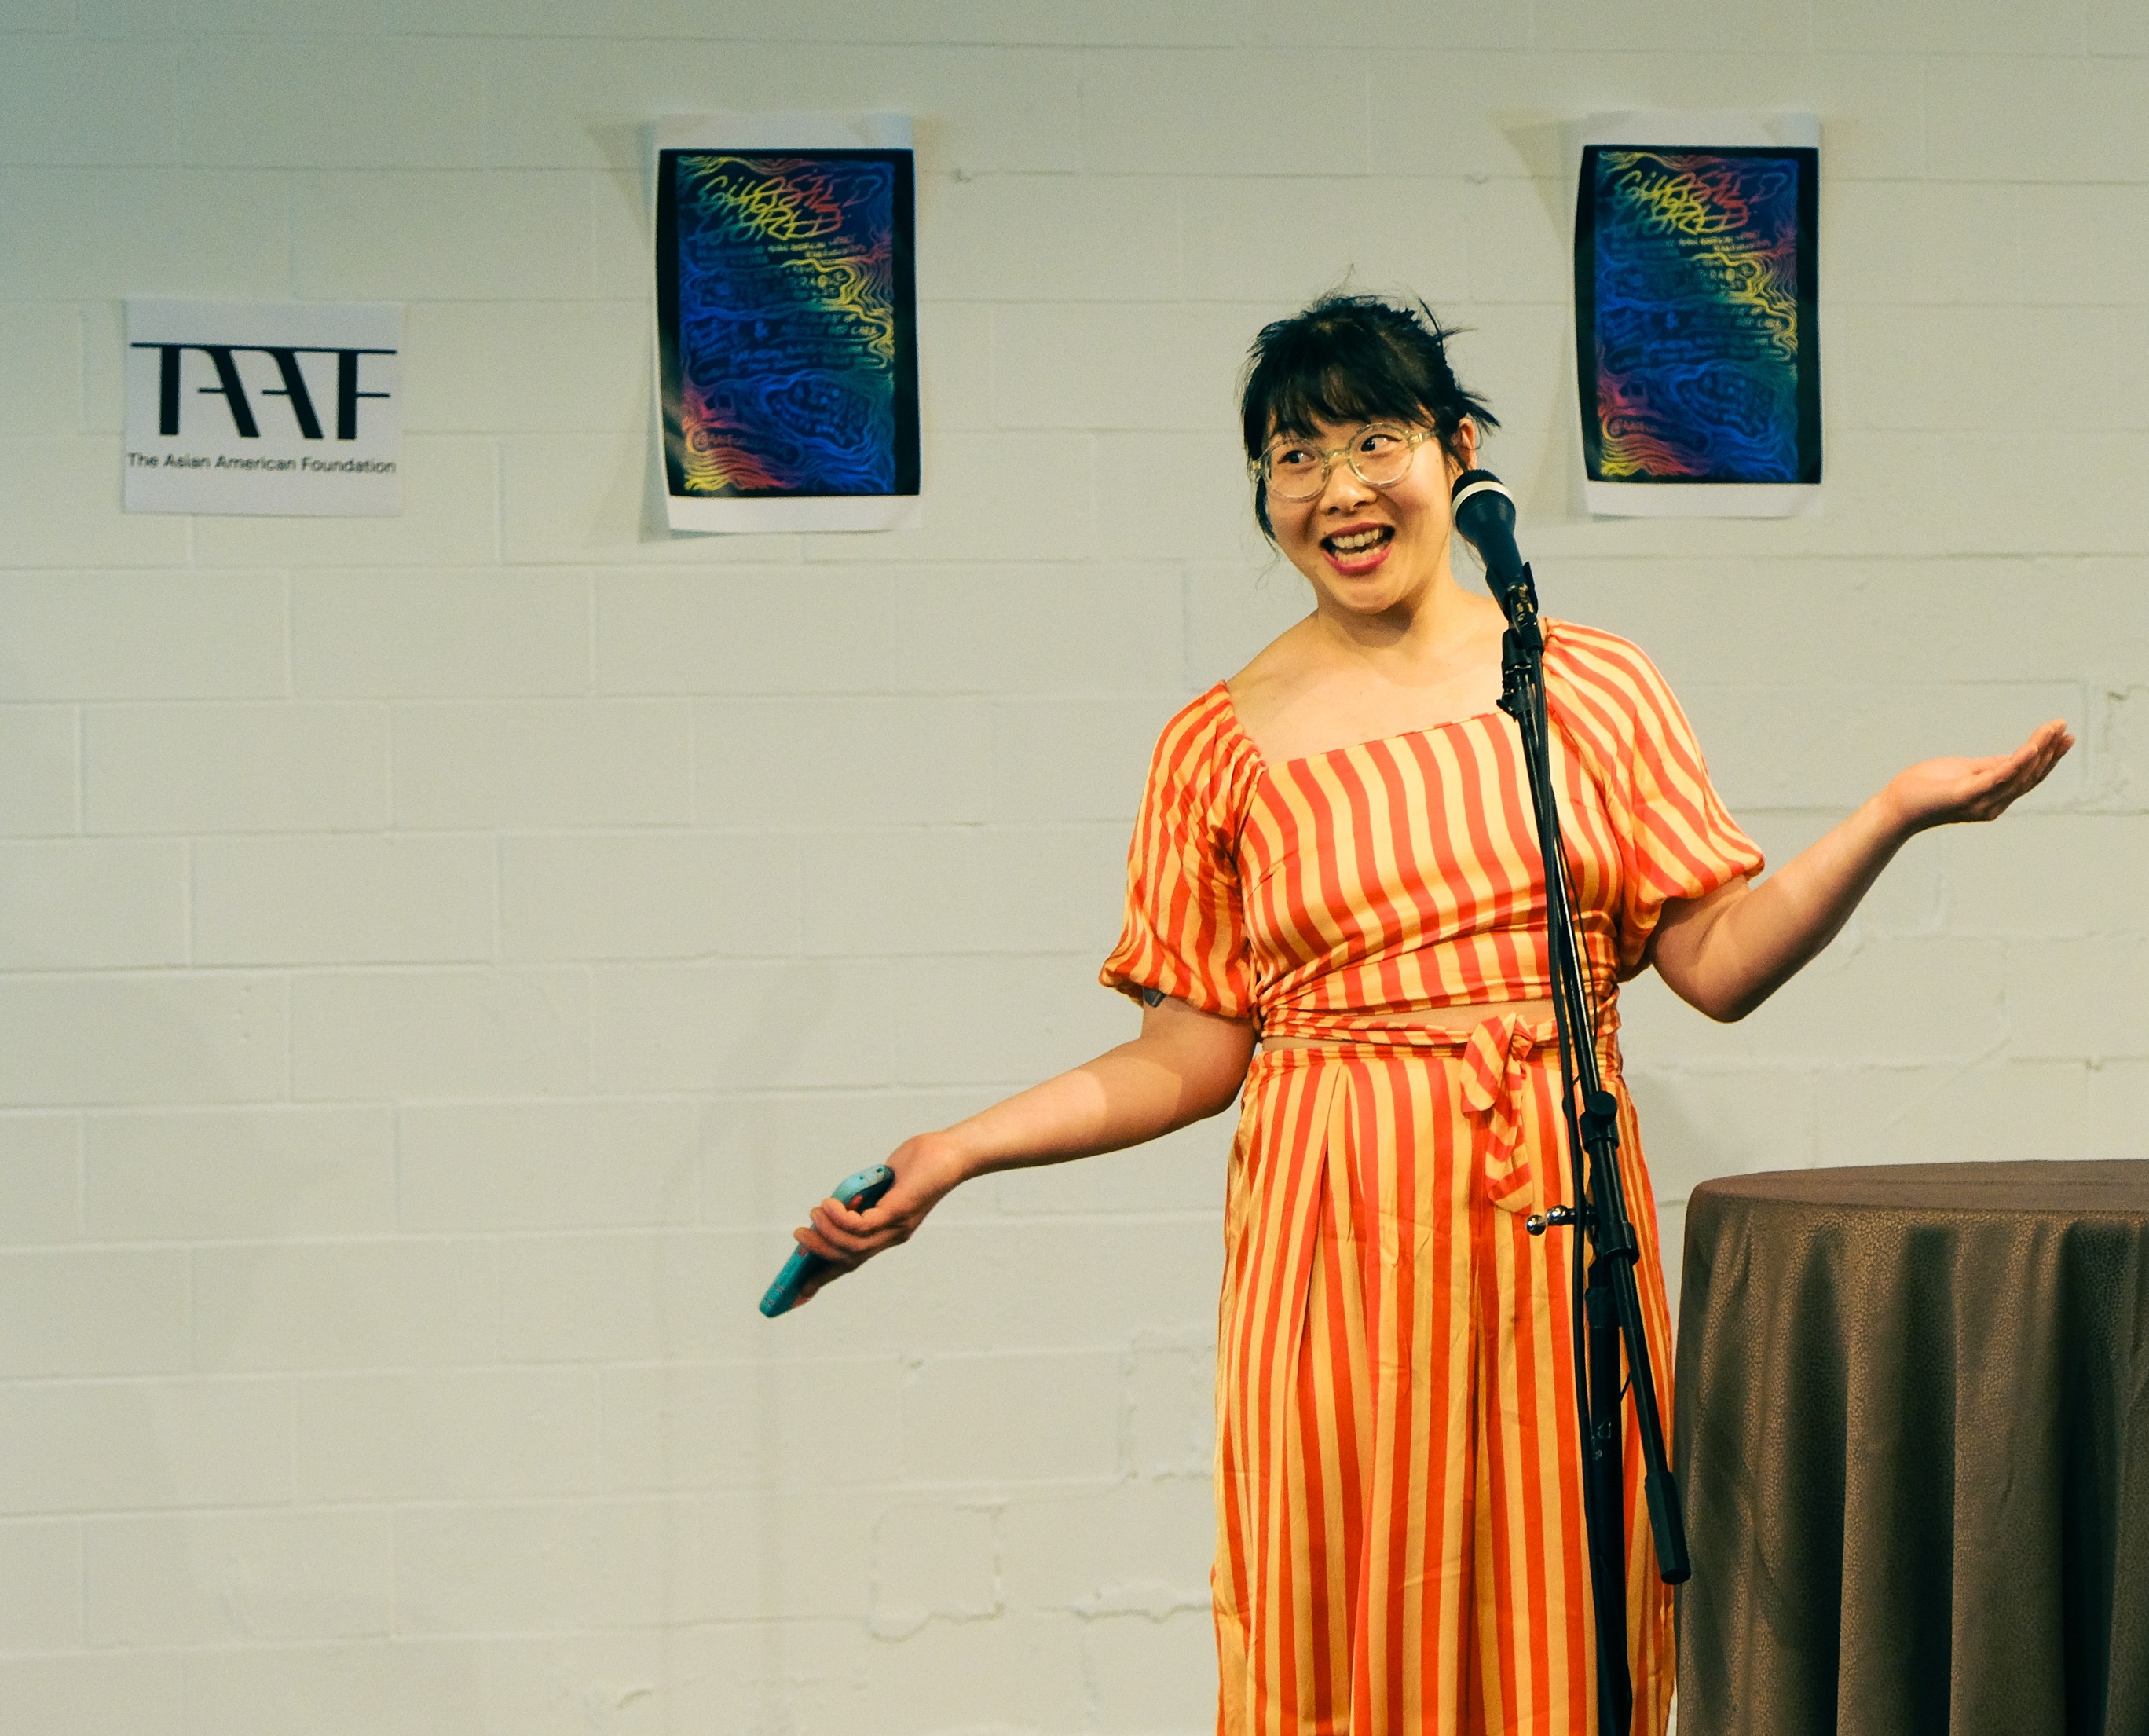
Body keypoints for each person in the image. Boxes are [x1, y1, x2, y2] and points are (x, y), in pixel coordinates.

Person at [796, 293, 2072, 1734]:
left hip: (1560, 1231)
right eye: (1293, 454)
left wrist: (1894, 811)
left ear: (1457, 454)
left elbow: (1711, 960)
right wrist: (955, 1150)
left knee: (1564, 1615)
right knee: (1350, 1613)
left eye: (1372, 439)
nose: (1336, 488)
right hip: (1335, 1242)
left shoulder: (1584, 686)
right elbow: (1186, 1051)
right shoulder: (1215, 745)